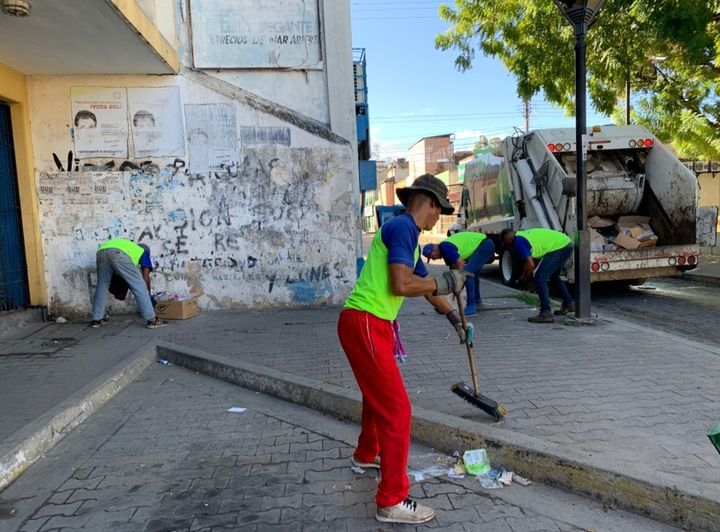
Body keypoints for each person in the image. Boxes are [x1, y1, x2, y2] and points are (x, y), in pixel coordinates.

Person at [338, 174, 470, 525]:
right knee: (397, 411)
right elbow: (401, 284)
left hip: (367, 324)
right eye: (438, 212)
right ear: (428, 203)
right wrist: (446, 279)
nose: (436, 220)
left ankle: (367, 455)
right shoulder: (403, 229)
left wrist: (455, 320)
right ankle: (392, 500)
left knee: (376, 397)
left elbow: (427, 289)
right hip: (367, 321)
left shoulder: (407, 238)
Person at [500, 228, 575, 323]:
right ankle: (569, 303)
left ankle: (546, 313)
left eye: (506, 243)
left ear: (507, 240)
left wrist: (524, 279)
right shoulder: (521, 236)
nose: (508, 246)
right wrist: (523, 276)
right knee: (553, 276)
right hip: (564, 243)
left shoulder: (518, 242)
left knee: (540, 278)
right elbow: (531, 262)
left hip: (560, 247)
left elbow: (530, 265)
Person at [90, 238, 167, 329]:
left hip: (101, 252)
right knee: (139, 285)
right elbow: (145, 278)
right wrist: (148, 296)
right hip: (117, 253)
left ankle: (97, 319)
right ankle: (152, 320)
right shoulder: (143, 252)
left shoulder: (128, 246)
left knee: (102, 286)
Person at [422, 230, 495, 316]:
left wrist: (460, 282)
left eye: (432, 257)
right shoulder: (444, 249)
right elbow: (453, 270)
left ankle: (471, 306)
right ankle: (477, 301)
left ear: (434, 250)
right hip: (484, 244)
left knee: (468, 273)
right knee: (472, 274)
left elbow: (460, 264)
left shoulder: (445, 247)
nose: (434, 259)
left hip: (484, 245)